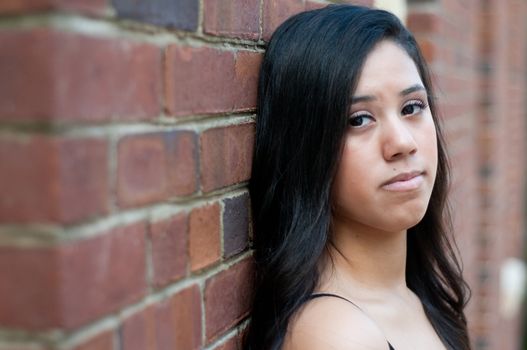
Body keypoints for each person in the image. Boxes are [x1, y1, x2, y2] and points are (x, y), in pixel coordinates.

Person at [243, 4, 471, 350]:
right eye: (359, 119)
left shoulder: (419, 298)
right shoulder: (338, 334)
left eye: (412, 107)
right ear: (306, 146)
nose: (402, 143)